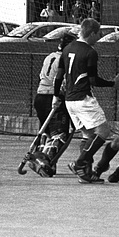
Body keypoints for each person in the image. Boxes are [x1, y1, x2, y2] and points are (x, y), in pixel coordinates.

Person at [52, 18, 116, 183]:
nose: (99, 37)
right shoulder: (90, 52)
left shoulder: (67, 49)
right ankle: (80, 163)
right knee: (103, 131)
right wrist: (113, 83)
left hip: (69, 100)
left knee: (88, 135)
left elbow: (59, 77)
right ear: (92, 33)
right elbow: (93, 80)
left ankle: (85, 174)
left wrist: (55, 96)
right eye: (99, 34)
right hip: (83, 99)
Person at [30, 34, 74, 177]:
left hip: (40, 96)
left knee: (46, 131)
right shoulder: (66, 59)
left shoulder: (50, 56)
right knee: (60, 134)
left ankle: (44, 160)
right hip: (52, 97)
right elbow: (62, 79)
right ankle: (44, 161)